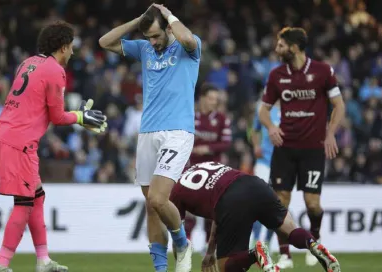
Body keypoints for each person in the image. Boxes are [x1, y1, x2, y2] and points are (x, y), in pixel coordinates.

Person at [0, 21, 107, 272]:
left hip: (3, 135)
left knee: (37, 197)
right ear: (63, 47)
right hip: (19, 142)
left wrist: (77, 116)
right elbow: (57, 117)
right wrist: (80, 117)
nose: (73, 52)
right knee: (24, 204)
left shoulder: (28, 62)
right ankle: (0, 266)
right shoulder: (55, 70)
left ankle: (43, 260)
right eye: (72, 47)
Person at [99, 4, 201, 272]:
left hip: (177, 131)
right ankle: (160, 269)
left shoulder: (188, 48)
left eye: (156, 36)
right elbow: (105, 42)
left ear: (168, 28)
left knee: (158, 198)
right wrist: (138, 21)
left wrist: (168, 15)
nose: (153, 43)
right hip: (147, 132)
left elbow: (188, 38)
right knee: (151, 206)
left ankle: (182, 242)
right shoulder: (144, 48)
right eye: (149, 38)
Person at [259, 27, 345, 269]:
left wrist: (330, 134)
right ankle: (285, 253)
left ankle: (315, 243)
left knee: (312, 203)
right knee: (280, 202)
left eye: (281, 45)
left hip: (313, 149)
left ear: (294, 47)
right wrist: (271, 128)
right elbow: (263, 110)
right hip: (285, 148)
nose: (277, 49)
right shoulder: (276, 75)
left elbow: (339, 105)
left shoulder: (322, 71)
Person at [170, 161, 341, 272]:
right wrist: (210, 250)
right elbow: (217, 216)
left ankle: (255, 254)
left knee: (224, 267)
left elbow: (180, 241)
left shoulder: (175, 192)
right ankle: (312, 244)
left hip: (231, 200)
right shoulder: (205, 164)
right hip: (255, 184)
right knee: (289, 229)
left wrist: (210, 253)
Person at [185, 83, 231, 250]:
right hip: (192, 170)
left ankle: (207, 244)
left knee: (211, 210)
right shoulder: (190, 117)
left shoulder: (221, 119)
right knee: (189, 207)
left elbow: (226, 143)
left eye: (216, 100)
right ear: (202, 98)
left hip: (213, 171)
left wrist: (209, 148)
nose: (214, 102)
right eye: (211, 99)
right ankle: (187, 242)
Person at [250, 100, 280, 248]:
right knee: (257, 201)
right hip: (264, 161)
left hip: (283, 164)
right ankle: (255, 239)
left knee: (277, 204)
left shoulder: (293, 109)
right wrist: (256, 145)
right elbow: (254, 130)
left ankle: (267, 241)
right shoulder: (263, 108)